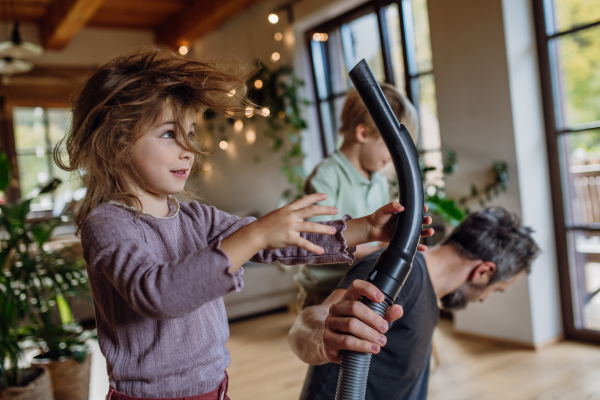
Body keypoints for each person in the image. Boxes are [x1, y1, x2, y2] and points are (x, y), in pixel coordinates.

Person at [54, 46, 432, 400]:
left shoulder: (195, 217)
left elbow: (279, 241)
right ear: (116, 142)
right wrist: (254, 232)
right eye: (169, 134)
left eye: (188, 132)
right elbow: (158, 294)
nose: (188, 148)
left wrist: (366, 228)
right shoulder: (107, 225)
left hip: (216, 388)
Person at [289, 207, 540, 400]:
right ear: (484, 271)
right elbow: (315, 318)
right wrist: (324, 337)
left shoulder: (427, 288)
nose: (483, 299)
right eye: (495, 290)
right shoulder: (400, 271)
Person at [295, 84, 419, 309]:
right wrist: (376, 251)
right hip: (324, 292)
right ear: (363, 133)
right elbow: (315, 240)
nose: (394, 160)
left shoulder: (379, 181)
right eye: (392, 148)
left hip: (360, 284)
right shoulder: (327, 176)